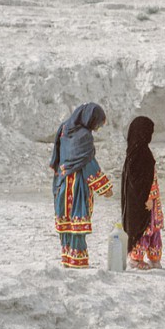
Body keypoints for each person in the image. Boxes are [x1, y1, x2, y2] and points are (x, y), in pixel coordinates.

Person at [49, 103, 113, 268]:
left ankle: (67, 258)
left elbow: (58, 157)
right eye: (97, 123)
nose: (97, 128)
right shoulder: (84, 136)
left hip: (62, 183)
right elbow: (88, 163)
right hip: (77, 184)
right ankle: (77, 260)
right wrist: (104, 187)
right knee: (77, 219)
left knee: (66, 221)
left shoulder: (64, 129)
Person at [121, 116, 164, 270]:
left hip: (148, 200)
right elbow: (140, 181)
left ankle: (154, 258)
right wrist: (149, 197)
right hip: (145, 202)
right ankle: (136, 258)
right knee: (145, 228)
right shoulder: (139, 153)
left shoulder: (137, 150)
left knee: (153, 229)